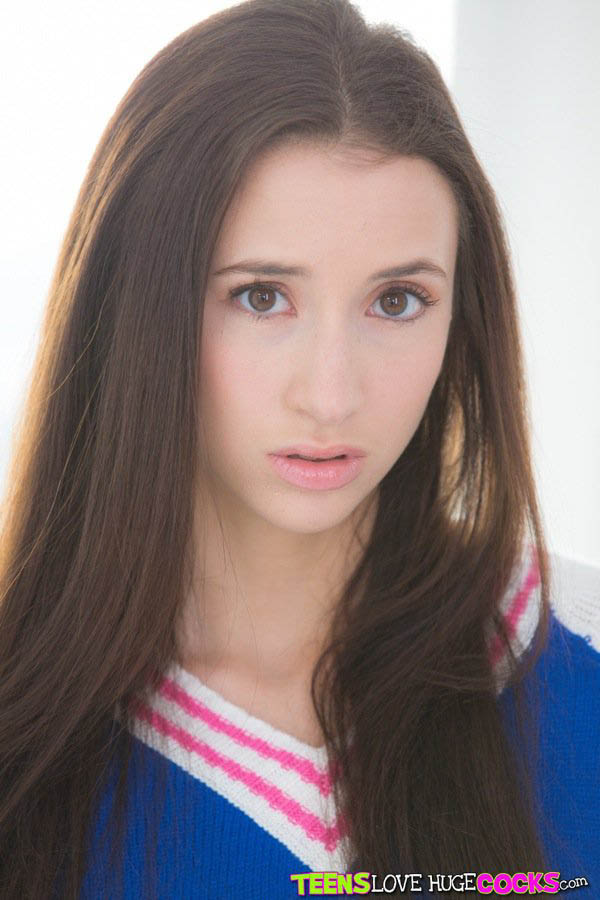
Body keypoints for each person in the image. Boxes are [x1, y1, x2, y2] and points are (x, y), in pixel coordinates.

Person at [0, 0, 598, 897]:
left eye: (396, 301)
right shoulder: (24, 726)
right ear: (136, 307)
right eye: (261, 296)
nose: (330, 394)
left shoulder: (578, 644)